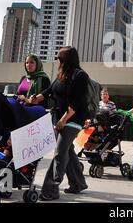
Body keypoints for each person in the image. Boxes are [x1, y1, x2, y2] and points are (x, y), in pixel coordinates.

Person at [31, 46, 89, 200]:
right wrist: (35, 98)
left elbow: (76, 103)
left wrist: (63, 121)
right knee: (67, 151)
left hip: (72, 120)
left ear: (65, 60)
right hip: (59, 120)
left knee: (60, 152)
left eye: (59, 58)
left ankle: (51, 189)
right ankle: (78, 184)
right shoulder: (61, 75)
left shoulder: (80, 76)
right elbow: (49, 91)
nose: (57, 60)